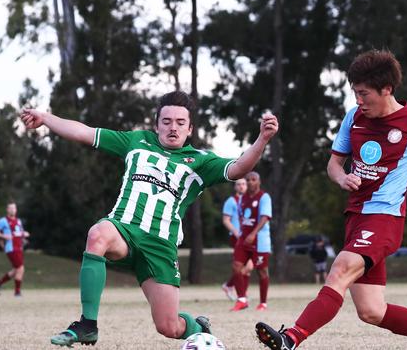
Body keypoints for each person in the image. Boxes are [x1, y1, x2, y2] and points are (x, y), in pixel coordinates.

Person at [255, 50, 407, 350]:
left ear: (387, 89)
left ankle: (290, 339)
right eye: (354, 93)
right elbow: (333, 164)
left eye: (363, 93)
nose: (358, 101)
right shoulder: (354, 117)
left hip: (384, 218)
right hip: (356, 217)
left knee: (340, 269)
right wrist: (342, 177)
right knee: (371, 310)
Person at [20, 90, 278, 347]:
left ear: (190, 129)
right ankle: (88, 325)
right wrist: (45, 118)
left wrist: (262, 140)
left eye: (180, 123)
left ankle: (199, 327)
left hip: (161, 246)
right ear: (156, 125)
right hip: (124, 230)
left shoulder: (201, 161)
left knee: (169, 326)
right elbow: (84, 132)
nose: (172, 128)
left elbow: (239, 167)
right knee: (97, 234)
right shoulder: (136, 141)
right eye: (166, 122)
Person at [230, 171, 272, 312]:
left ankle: (263, 303)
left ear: (259, 182)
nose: (250, 182)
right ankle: (242, 300)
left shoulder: (264, 197)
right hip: (244, 239)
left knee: (262, 272)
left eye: (253, 179)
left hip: (259, 241)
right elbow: (242, 218)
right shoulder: (242, 198)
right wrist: (243, 233)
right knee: (236, 266)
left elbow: (265, 217)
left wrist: (253, 234)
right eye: (248, 180)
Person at [220, 178, 253, 301]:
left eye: (243, 184)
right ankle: (239, 292)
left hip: (249, 238)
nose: (241, 186)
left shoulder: (250, 200)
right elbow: (226, 220)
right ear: (235, 187)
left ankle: (230, 286)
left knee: (248, 268)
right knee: (247, 265)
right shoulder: (231, 201)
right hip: (237, 237)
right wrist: (237, 233)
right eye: (238, 184)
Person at [0, 201, 30, 297]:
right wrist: (4, 236)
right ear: (7, 210)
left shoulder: (18, 221)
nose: (13, 210)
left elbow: (19, 233)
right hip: (11, 248)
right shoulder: (3, 220)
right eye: (11, 208)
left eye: (14, 208)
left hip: (19, 247)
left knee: (15, 270)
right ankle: (17, 292)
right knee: (21, 269)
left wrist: (24, 235)